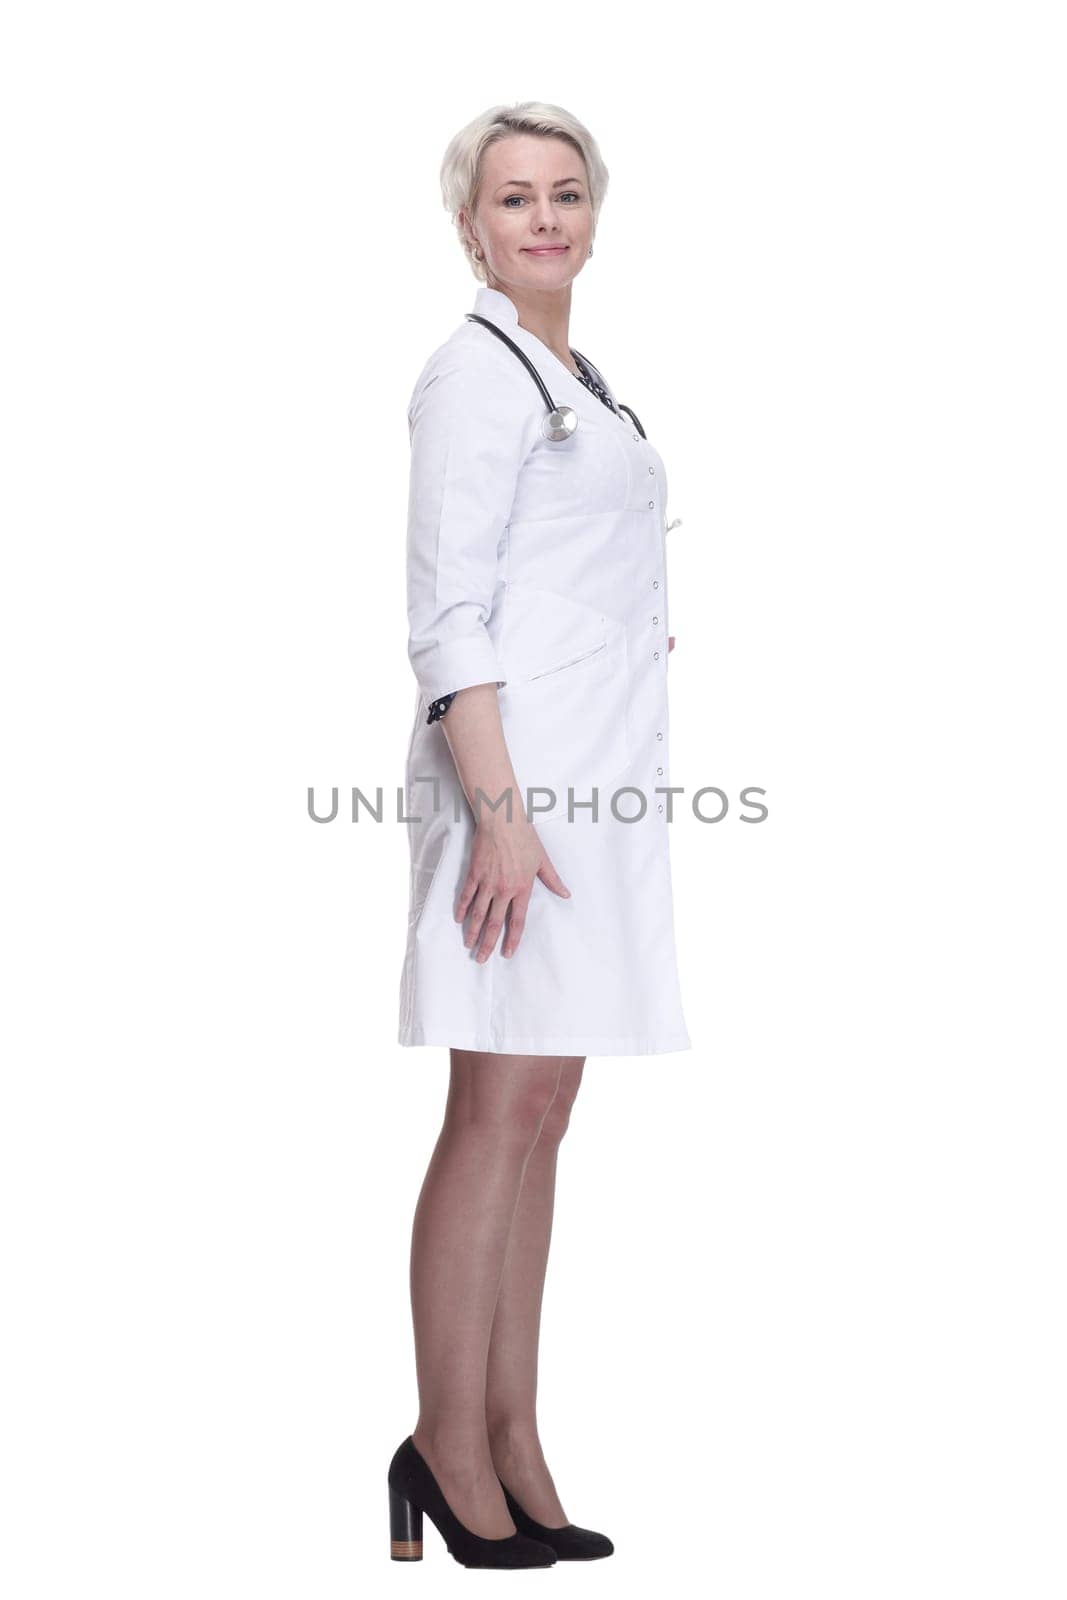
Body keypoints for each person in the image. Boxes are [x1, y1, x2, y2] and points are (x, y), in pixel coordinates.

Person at [388, 101, 690, 1570]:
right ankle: (446, 1446)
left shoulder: (580, 379)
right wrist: (498, 817)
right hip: (512, 799)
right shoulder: (473, 376)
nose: (544, 218)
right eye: (513, 198)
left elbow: (569, 575)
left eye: (566, 193)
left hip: (590, 793)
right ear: (471, 226)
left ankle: (513, 1431)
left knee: (546, 1116)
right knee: (491, 1112)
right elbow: (446, 616)